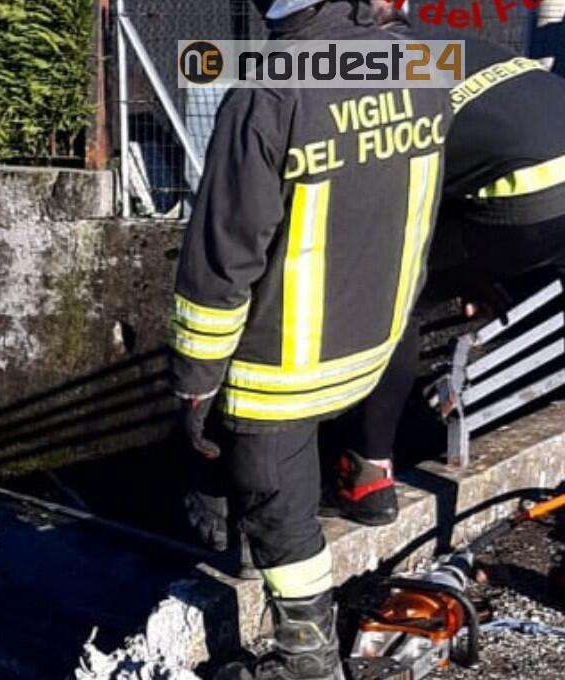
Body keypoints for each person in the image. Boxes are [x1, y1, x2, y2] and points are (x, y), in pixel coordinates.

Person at [169, 1, 452, 677]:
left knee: (279, 511)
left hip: (284, 370)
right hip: (374, 346)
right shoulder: (421, 64)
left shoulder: (271, 86)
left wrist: (194, 376)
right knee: (250, 479)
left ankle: (309, 660)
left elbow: (224, 256)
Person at [326, 0, 565, 526]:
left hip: (525, 195)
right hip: (545, 190)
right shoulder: (447, 49)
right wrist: (477, 267)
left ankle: (370, 476)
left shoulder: (369, 71)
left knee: (393, 294)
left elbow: (390, 201)